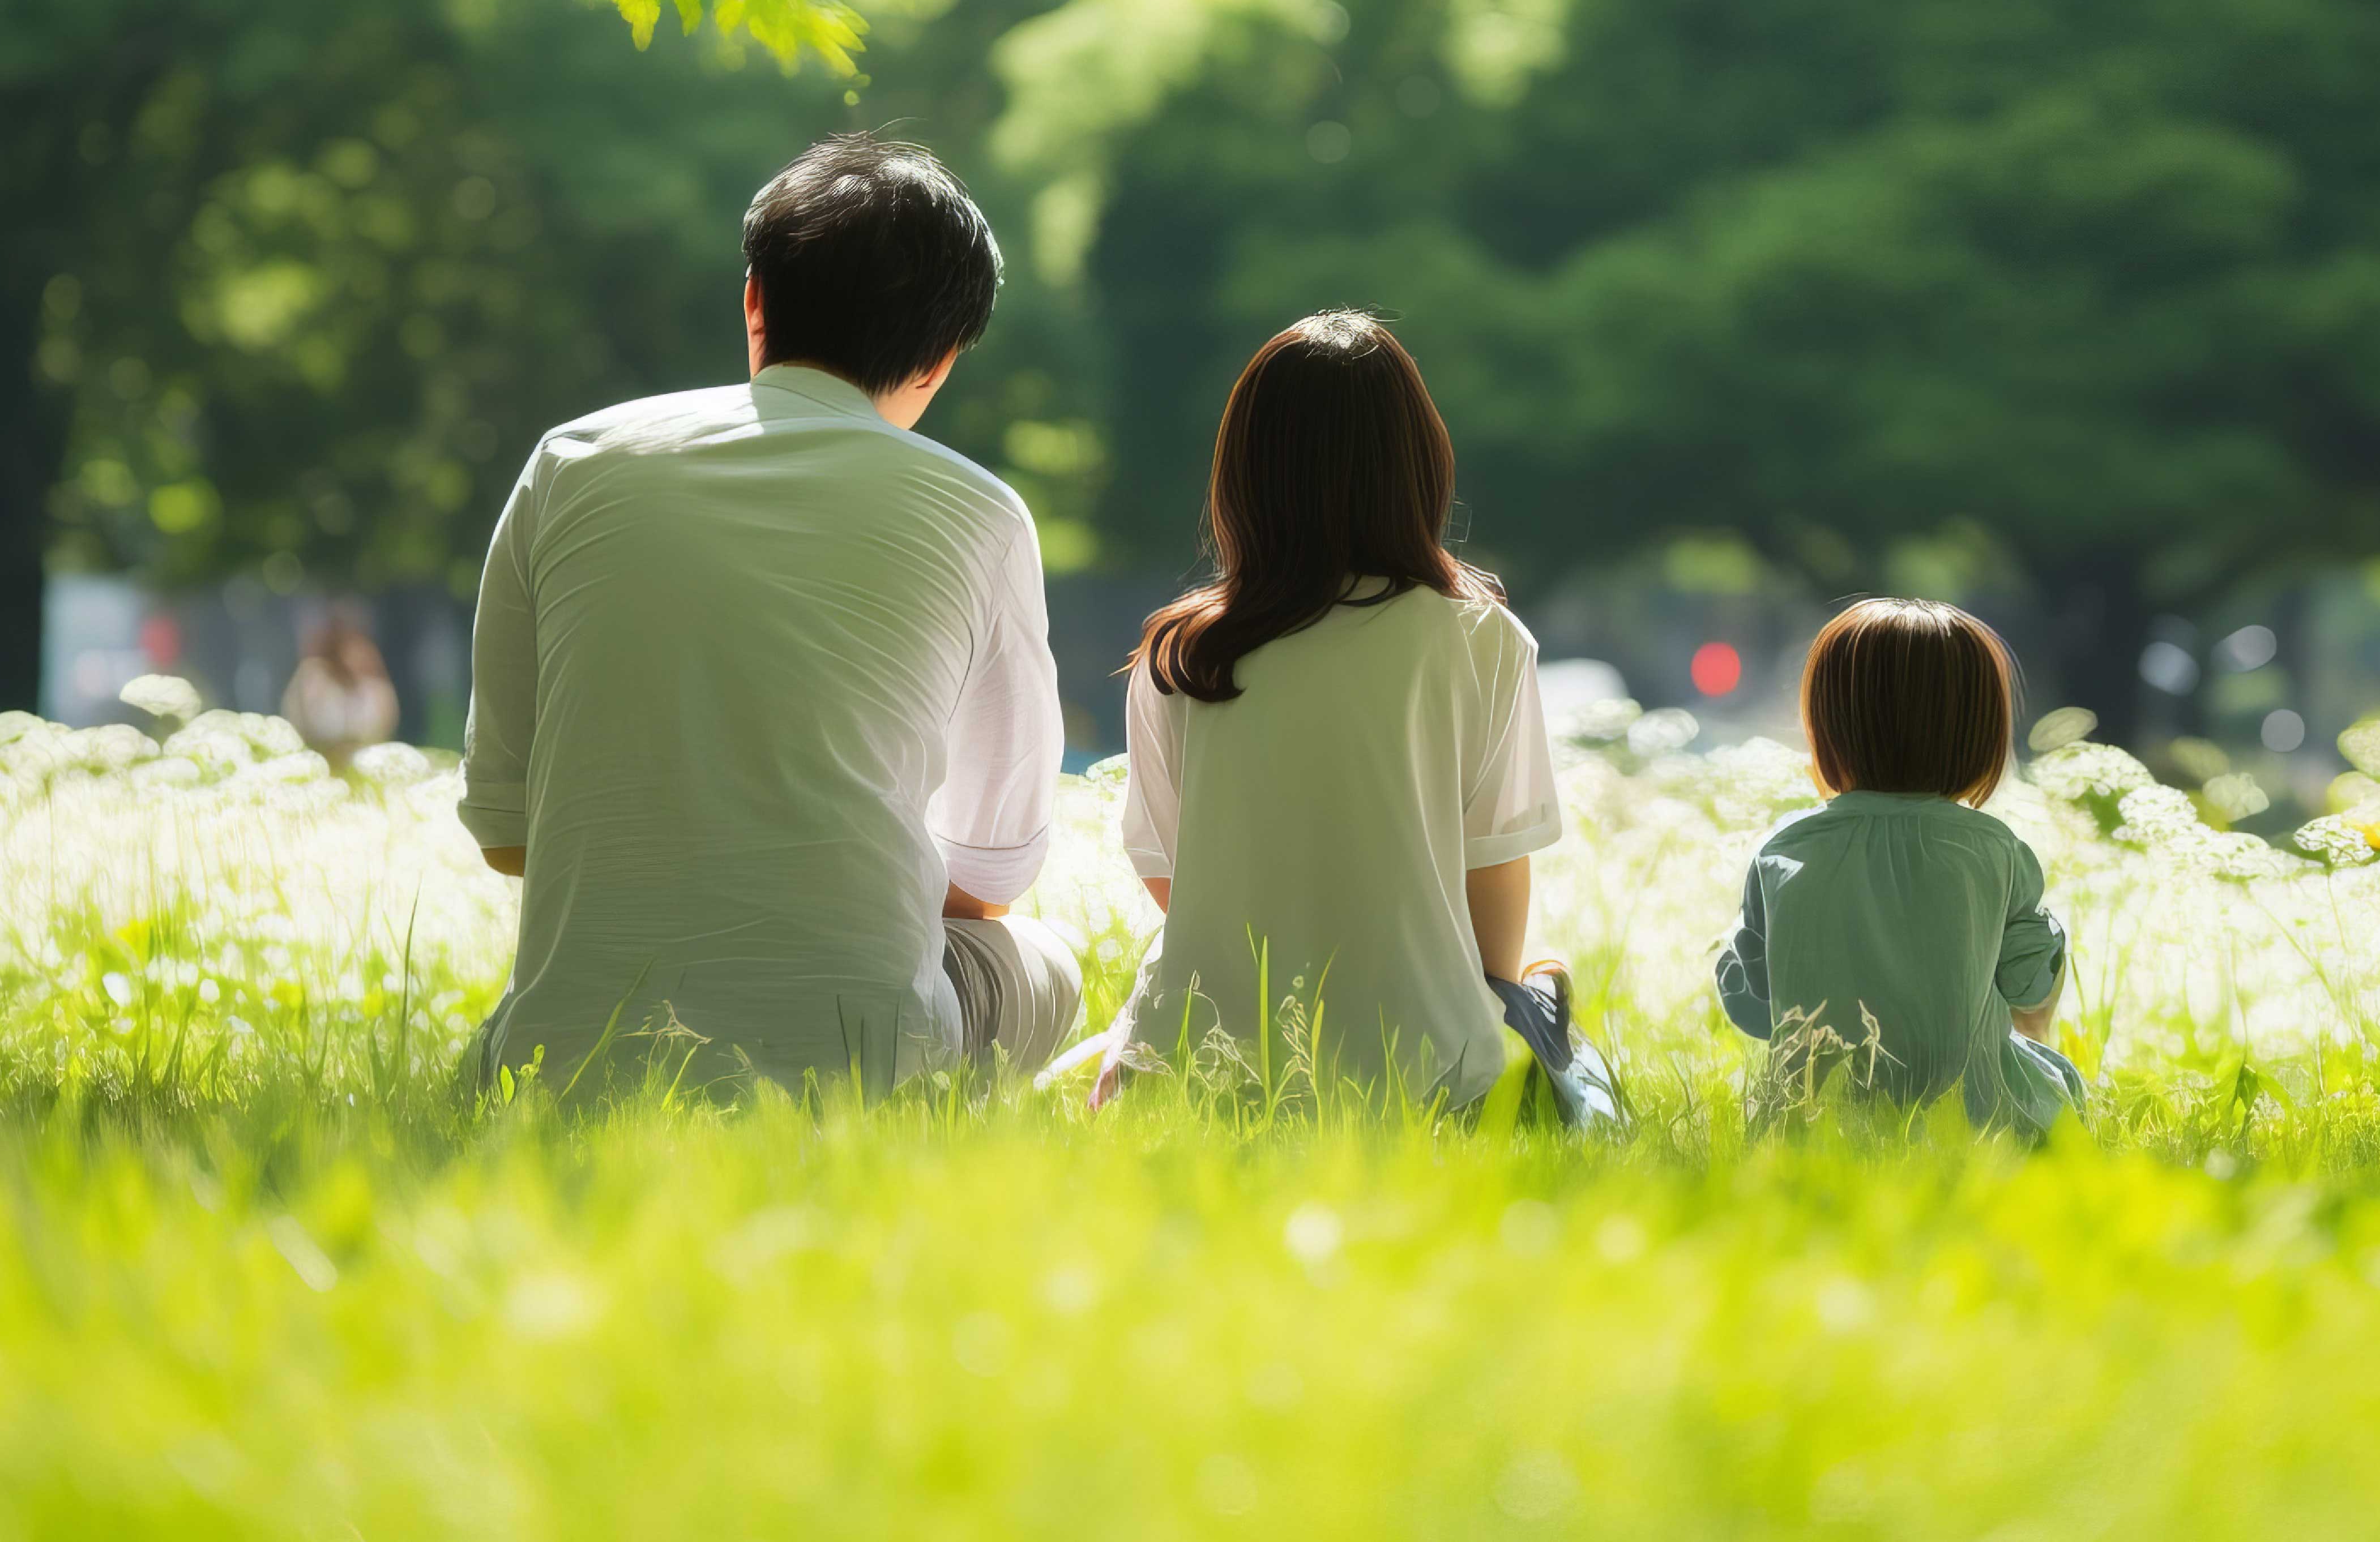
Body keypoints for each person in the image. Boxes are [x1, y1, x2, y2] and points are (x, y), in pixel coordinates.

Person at [458, 136, 1079, 1099]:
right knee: (1043, 967)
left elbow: (510, 837)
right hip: (867, 1065)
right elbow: (988, 882)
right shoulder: (980, 513)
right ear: (943, 357)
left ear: (754, 299)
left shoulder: (570, 463)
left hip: (565, 1063)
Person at [1103, 310, 1603, 1116]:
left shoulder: (1182, 655)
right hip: (1434, 1080)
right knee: (1546, 993)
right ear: (1419, 466)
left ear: (1241, 473)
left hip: (1205, 1079)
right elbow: (1494, 902)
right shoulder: (1480, 639)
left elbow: (1172, 878)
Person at [1713, 597, 2083, 1137]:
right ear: (1978, 735)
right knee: (2057, 1080)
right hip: (1974, 1119)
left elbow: (1752, 1010)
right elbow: (2030, 987)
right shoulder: (1995, 849)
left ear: (1826, 727)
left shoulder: (1784, 851)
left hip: (1811, 1127)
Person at [281, 605, 399, 769]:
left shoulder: (370, 679)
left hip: (363, 760)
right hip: (322, 759)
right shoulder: (313, 675)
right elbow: (304, 721)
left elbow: (385, 721)